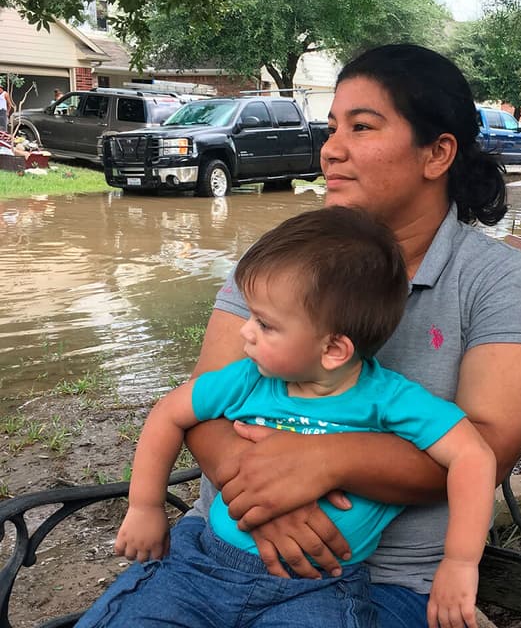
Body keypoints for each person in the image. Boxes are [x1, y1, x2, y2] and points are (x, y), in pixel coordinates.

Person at [85, 44, 521, 628]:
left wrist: (324, 460)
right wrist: (261, 498)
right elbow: (204, 403)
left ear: (437, 153)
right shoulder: (290, 259)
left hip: (382, 582)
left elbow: (481, 452)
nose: (331, 149)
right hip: (212, 555)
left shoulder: (503, 284)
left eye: (362, 127)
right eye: (332, 126)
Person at [77, 206, 497, 628]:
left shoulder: (390, 401)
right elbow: (169, 413)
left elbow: (473, 457)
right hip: (202, 567)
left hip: (319, 589)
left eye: (265, 323)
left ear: (334, 350)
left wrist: (460, 562)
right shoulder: (247, 379)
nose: (246, 331)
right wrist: (145, 505)